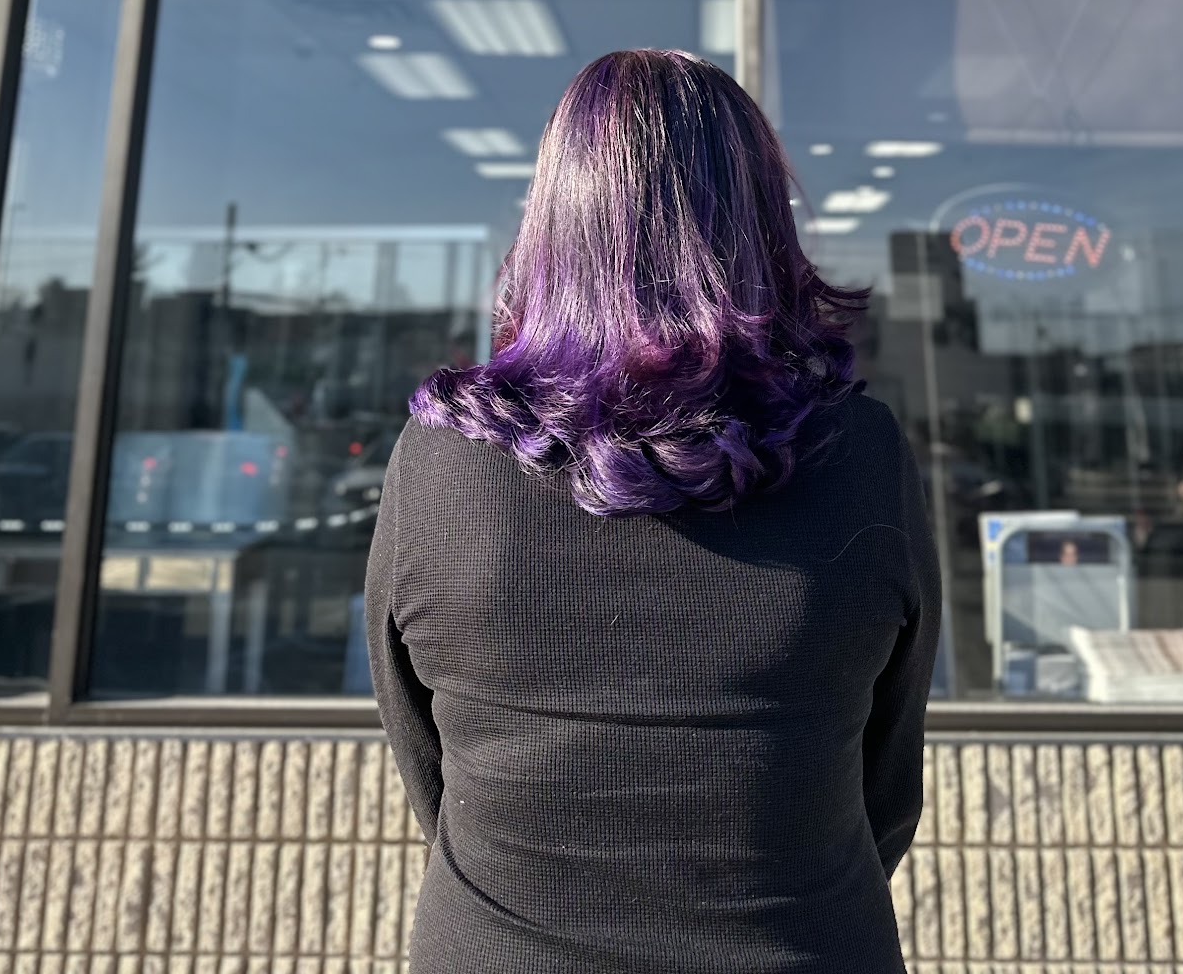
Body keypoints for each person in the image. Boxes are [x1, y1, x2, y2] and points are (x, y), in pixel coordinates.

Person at [366, 48, 940, 974]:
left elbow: (428, 771)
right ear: (761, 221)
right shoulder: (859, 453)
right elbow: (886, 787)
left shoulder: (443, 463)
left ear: (553, 218)